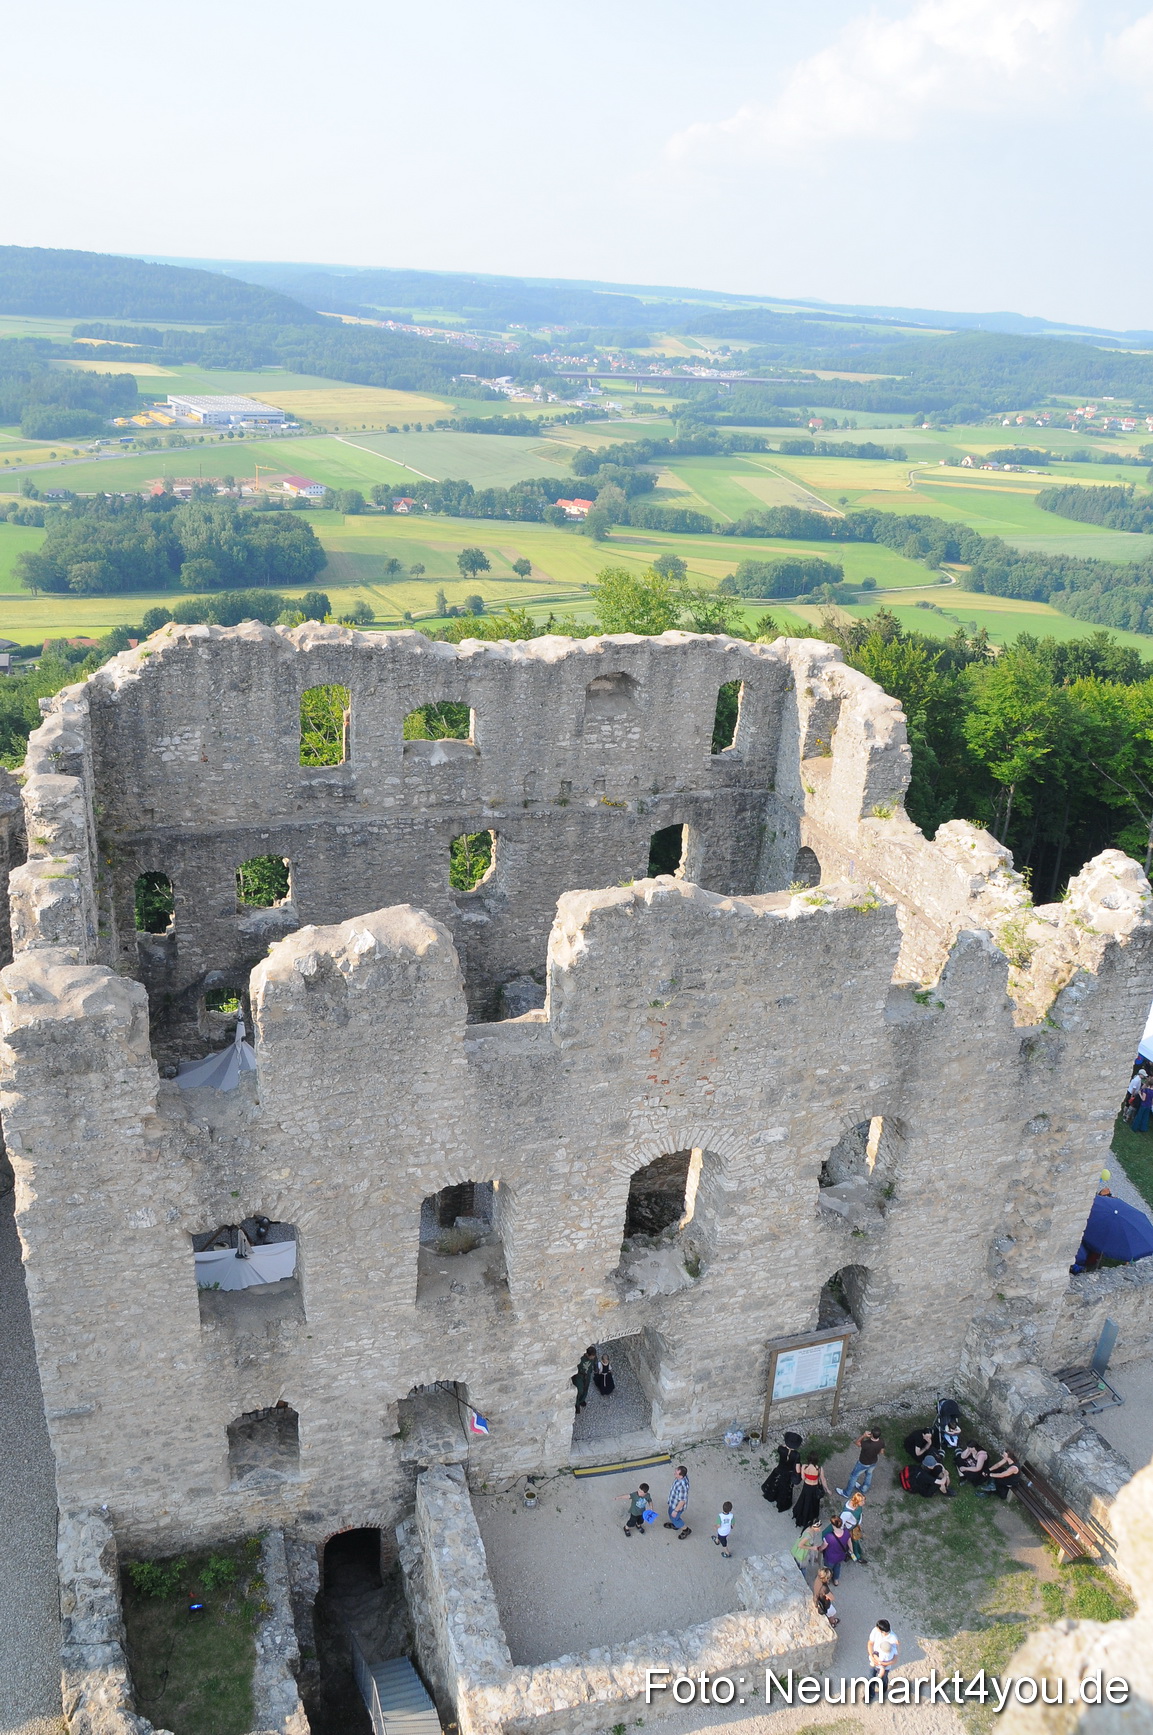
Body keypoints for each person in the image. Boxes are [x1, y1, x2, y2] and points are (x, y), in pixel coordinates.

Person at [761, 1431, 804, 1511]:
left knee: (775, 1484)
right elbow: (798, 1468)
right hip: (788, 1474)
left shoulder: (781, 1449)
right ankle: (781, 1503)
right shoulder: (796, 1455)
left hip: (779, 1470)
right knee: (784, 1490)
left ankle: (771, 1496)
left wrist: (785, 1446)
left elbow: (782, 1447)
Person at [839, 1428, 885, 1497]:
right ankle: (863, 1489)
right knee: (869, 1475)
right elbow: (881, 1452)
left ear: (871, 1435)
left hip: (863, 1463)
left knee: (854, 1476)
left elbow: (857, 1443)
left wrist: (863, 1436)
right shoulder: (881, 1442)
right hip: (873, 1462)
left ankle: (847, 1493)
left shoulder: (867, 1444)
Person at [793, 1453, 833, 1528]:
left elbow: (803, 1478)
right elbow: (823, 1480)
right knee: (813, 1503)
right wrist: (827, 1489)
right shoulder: (819, 1469)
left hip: (806, 1487)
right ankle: (811, 1517)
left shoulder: (804, 1467)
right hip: (814, 1487)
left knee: (804, 1501)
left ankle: (802, 1516)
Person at [817, 1515, 854, 1584]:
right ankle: (836, 1580)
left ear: (832, 1525)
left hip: (830, 1557)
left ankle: (827, 1580)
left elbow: (823, 1546)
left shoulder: (829, 1536)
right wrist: (851, 1551)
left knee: (828, 1569)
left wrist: (819, 1549)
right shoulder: (846, 1532)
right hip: (841, 1556)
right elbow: (849, 1542)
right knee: (837, 1567)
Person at [868, 1619, 899, 1684]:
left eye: (877, 1628)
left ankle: (882, 1689)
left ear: (882, 1631)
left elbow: (895, 1659)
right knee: (871, 1677)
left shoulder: (893, 1639)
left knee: (883, 1679)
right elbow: (870, 1643)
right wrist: (872, 1657)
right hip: (874, 1660)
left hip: (885, 1666)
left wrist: (883, 1663)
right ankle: (870, 1693)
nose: (876, 1628)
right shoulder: (875, 1631)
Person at [664, 1465, 691, 1537]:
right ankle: (676, 1524)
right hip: (673, 1503)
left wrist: (675, 1511)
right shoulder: (683, 1477)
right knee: (672, 1515)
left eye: (676, 1473)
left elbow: (682, 1501)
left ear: (681, 1476)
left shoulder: (682, 1486)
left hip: (676, 1506)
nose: (674, 1474)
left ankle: (685, 1530)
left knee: (674, 1518)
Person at [572, 1346, 596, 1413]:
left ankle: (582, 1400)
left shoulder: (593, 1357)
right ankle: (576, 1404)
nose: (592, 1358)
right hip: (579, 1375)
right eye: (591, 1356)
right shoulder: (581, 1358)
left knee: (586, 1388)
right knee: (579, 1390)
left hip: (587, 1375)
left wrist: (595, 1368)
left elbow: (595, 1361)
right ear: (587, 1354)